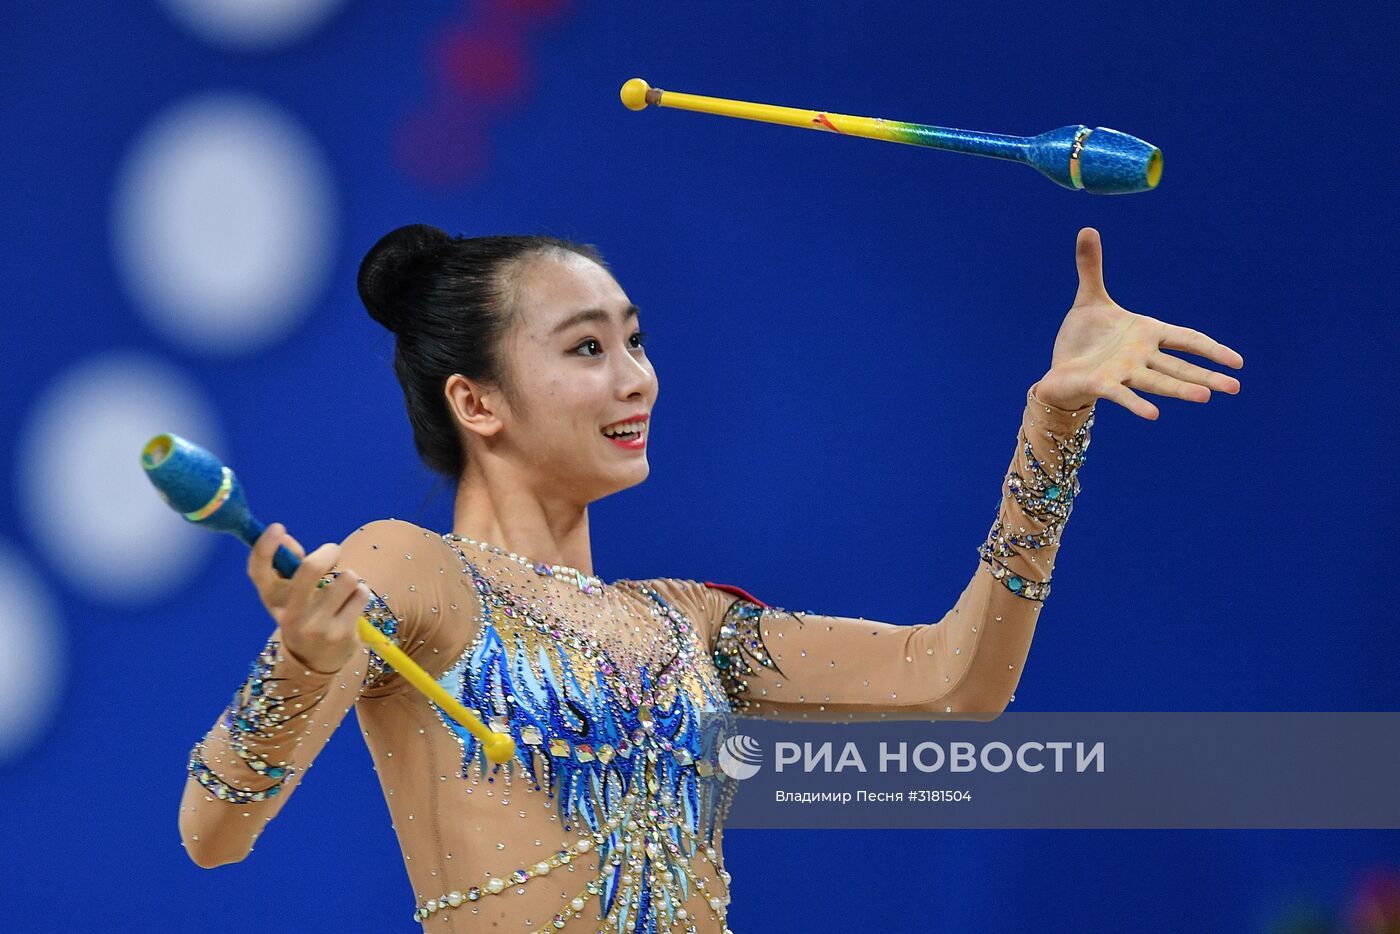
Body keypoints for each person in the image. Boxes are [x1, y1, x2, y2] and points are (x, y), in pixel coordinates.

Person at [177, 223, 1243, 932]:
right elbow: (211, 832)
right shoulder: (411, 570)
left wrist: (1051, 424)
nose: (636, 376)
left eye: (633, 341)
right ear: (478, 403)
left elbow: (957, 679)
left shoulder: (687, 623)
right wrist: (300, 657)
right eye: (586, 348)